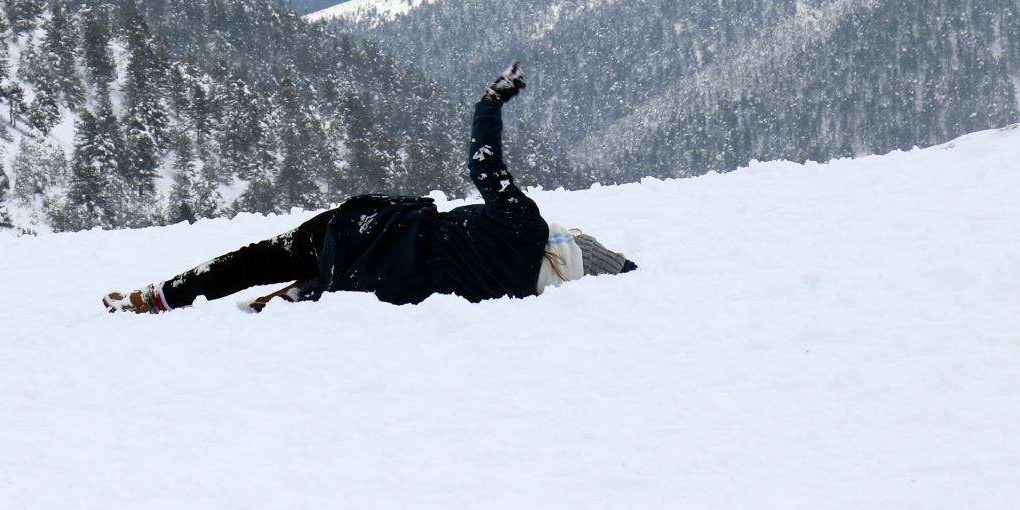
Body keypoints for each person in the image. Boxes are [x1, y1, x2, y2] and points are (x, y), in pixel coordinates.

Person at [104, 62, 636, 314]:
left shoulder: (523, 224)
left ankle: (159, 298)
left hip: (364, 229)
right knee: (289, 299)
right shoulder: (520, 290)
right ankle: (280, 302)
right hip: (372, 284)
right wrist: (628, 273)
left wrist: (489, 104)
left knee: (260, 257)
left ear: (564, 245)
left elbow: (485, 163)